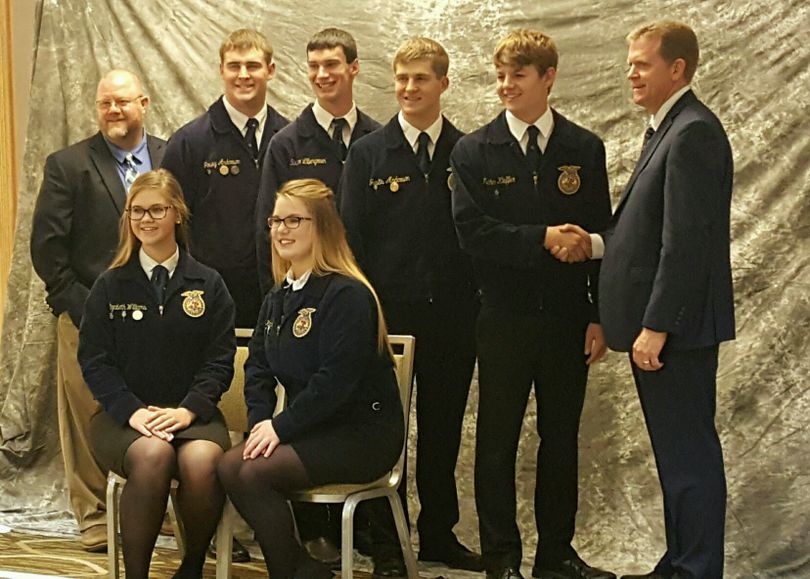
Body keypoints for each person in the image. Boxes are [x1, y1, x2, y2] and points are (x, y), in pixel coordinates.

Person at [555, 21, 734, 579]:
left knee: (689, 458)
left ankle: (696, 568)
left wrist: (655, 325)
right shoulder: (667, 128)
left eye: (642, 63)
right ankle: (680, 562)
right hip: (664, 326)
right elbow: (649, 232)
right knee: (676, 457)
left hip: (675, 329)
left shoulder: (693, 133)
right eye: (629, 62)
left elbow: (686, 245)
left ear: (677, 69)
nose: (630, 72)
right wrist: (599, 245)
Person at [450, 30, 614, 579]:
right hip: (503, 318)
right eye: (500, 75)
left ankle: (556, 554)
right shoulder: (474, 151)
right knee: (496, 441)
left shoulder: (583, 148)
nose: (505, 86)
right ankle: (501, 559)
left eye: (518, 75)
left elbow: (599, 235)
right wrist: (541, 237)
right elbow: (473, 233)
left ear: (548, 77)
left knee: (560, 439)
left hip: (569, 320)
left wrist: (598, 315)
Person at [338, 37, 481, 577]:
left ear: (443, 83)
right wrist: (364, 314)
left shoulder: (467, 153)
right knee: (383, 432)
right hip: (386, 317)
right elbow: (350, 241)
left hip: (451, 316)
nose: (408, 88)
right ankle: (385, 545)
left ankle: (439, 533)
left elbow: (476, 238)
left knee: (442, 429)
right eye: (401, 78)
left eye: (420, 78)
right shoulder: (369, 153)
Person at [217, 178, 404, 579]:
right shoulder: (278, 297)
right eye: (275, 220)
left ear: (322, 227)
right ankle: (302, 569)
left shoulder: (347, 295)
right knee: (232, 464)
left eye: (293, 220)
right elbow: (258, 371)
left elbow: (336, 382)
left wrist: (280, 427)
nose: (280, 230)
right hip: (313, 429)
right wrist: (259, 424)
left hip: (361, 434)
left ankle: (294, 572)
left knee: (250, 472)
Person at [30, 69, 166, 552]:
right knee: (91, 415)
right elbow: (48, 251)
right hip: (87, 315)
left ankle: (152, 506)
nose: (114, 110)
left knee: (154, 409)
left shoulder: (171, 159)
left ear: (143, 104)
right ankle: (94, 514)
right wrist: (87, 309)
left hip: (160, 317)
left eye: (123, 102)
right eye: (105, 102)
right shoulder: (68, 165)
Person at [77, 169, 236, 579]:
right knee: (154, 454)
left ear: (177, 213)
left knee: (202, 462)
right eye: (137, 211)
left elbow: (219, 360)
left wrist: (189, 411)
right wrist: (133, 412)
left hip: (192, 416)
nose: (146, 219)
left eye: (157, 210)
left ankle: (193, 566)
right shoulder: (110, 286)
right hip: (124, 420)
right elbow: (95, 361)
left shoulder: (210, 284)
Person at [162, 28, 289, 330]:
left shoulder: (289, 139)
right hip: (212, 297)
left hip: (282, 290)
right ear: (221, 70)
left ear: (270, 71)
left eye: (253, 66)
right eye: (234, 66)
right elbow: (167, 223)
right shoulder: (189, 143)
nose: (243, 75)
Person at [256, 27, 380, 295]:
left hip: (372, 289)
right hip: (306, 293)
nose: (322, 75)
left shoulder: (379, 141)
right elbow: (268, 231)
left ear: (354, 67)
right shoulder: (285, 145)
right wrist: (278, 298)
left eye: (331, 64)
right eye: (314, 66)